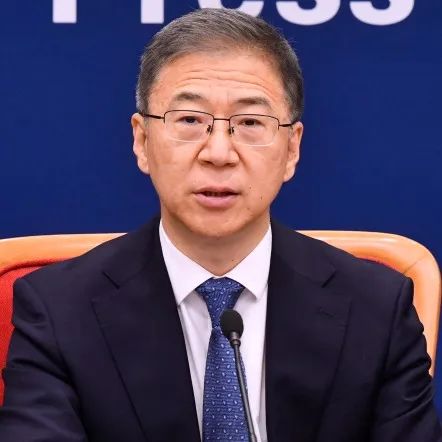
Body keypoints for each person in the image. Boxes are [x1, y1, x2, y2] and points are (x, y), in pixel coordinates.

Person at [0, 8, 440, 442]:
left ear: (292, 149)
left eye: (250, 123)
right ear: (142, 140)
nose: (218, 153)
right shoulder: (59, 311)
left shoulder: (375, 309)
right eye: (190, 120)